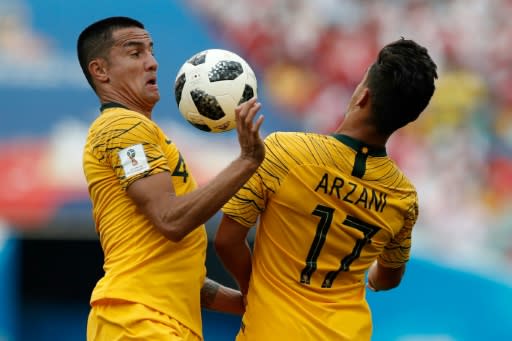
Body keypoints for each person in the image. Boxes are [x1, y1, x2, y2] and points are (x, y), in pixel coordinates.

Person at [214, 38, 438, 341]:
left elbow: (227, 240)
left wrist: (254, 290)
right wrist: (367, 279)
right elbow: (388, 278)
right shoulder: (402, 197)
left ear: (362, 96)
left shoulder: (284, 151)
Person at [77, 16, 265, 341]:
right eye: (135, 53)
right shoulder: (122, 127)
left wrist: (248, 304)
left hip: (154, 321)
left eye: (151, 51)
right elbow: (171, 220)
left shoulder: (139, 131)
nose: (152, 63)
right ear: (100, 71)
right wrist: (247, 161)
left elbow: (184, 277)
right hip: (138, 320)